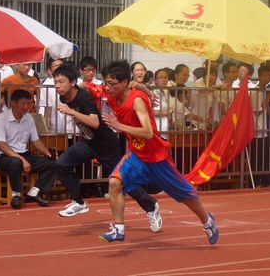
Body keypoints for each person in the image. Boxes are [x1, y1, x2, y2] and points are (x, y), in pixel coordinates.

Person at [98, 60, 218, 244]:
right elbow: (101, 87)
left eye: (112, 83)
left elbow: (147, 132)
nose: (108, 87)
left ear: (123, 82)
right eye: (107, 83)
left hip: (156, 156)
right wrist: (143, 87)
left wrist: (118, 125)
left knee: (184, 194)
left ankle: (207, 220)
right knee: (114, 183)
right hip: (137, 155)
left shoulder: (136, 101)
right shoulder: (113, 92)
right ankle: (119, 229)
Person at [53, 63, 162, 232]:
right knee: (62, 164)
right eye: (55, 82)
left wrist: (72, 112)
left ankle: (150, 205)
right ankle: (79, 202)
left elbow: (95, 122)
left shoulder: (84, 98)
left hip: (106, 144)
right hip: (88, 143)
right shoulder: (65, 97)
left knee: (124, 182)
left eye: (61, 82)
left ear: (72, 82)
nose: (57, 86)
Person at [0, 89, 57, 209]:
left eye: (28, 103)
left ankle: (34, 192)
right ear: (13, 103)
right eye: (23, 103)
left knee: (54, 163)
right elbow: (1, 145)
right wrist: (22, 159)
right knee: (15, 162)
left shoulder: (29, 118)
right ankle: (16, 195)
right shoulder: (0, 119)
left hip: (24, 155)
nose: (26, 107)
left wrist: (48, 153)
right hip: (5, 157)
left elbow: (36, 141)